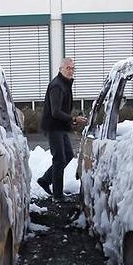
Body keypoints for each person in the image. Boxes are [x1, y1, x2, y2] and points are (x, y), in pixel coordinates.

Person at [37, 57, 87, 201]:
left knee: (69, 155)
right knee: (59, 159)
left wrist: (71, 122)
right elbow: (55, 112)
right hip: (54, 127)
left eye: (72, 68)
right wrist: (73, 119)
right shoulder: (57, 86)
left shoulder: (65, 84)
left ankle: (45, 180)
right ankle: (57, 196)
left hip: (61, 127)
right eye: (68, 68)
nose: (71, 71)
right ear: (61, 69)